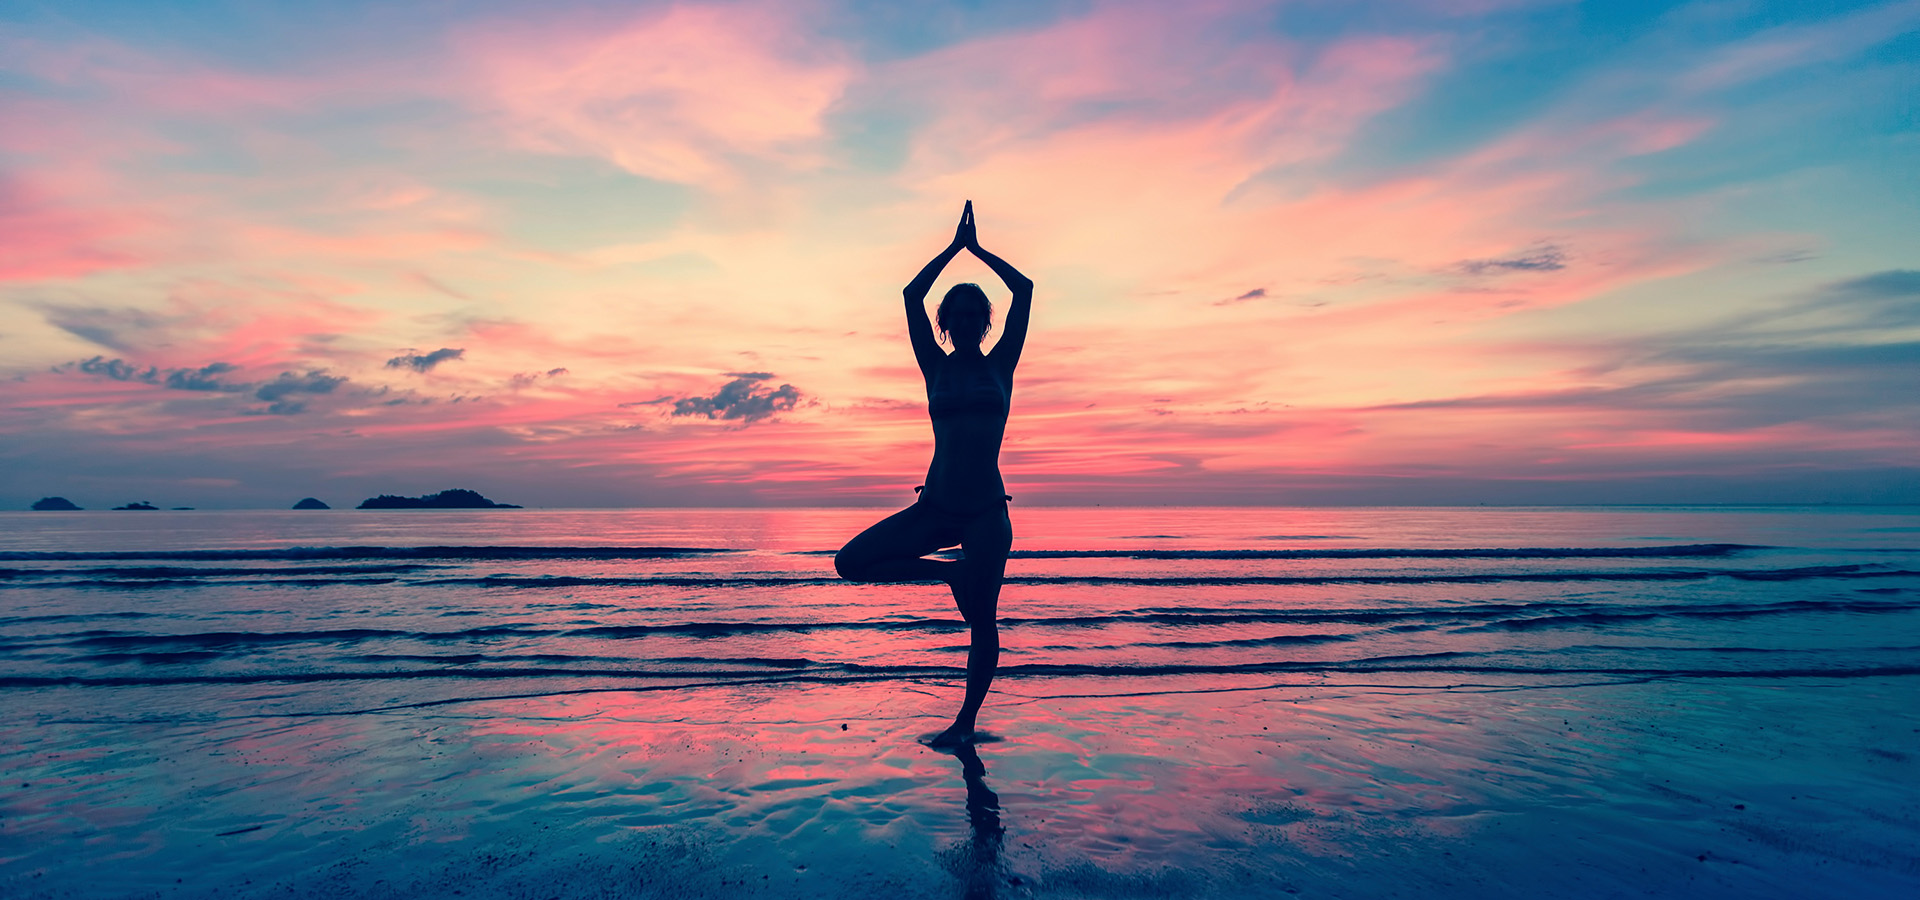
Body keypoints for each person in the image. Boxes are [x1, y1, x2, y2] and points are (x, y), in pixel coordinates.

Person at [835, 201, 1032, 747]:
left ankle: (964, 724)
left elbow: (1026, 290)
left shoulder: (1001, 364)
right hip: (936, 505)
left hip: (987, 512)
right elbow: (909, 296)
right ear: (945, 323)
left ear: (985, 321)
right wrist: (950, 251)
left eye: (976, 314)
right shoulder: (934, 366)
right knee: (849, 562)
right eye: (958, 314)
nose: (968, 321)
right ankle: (950, 574)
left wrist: (979, 251)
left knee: (983, 621)